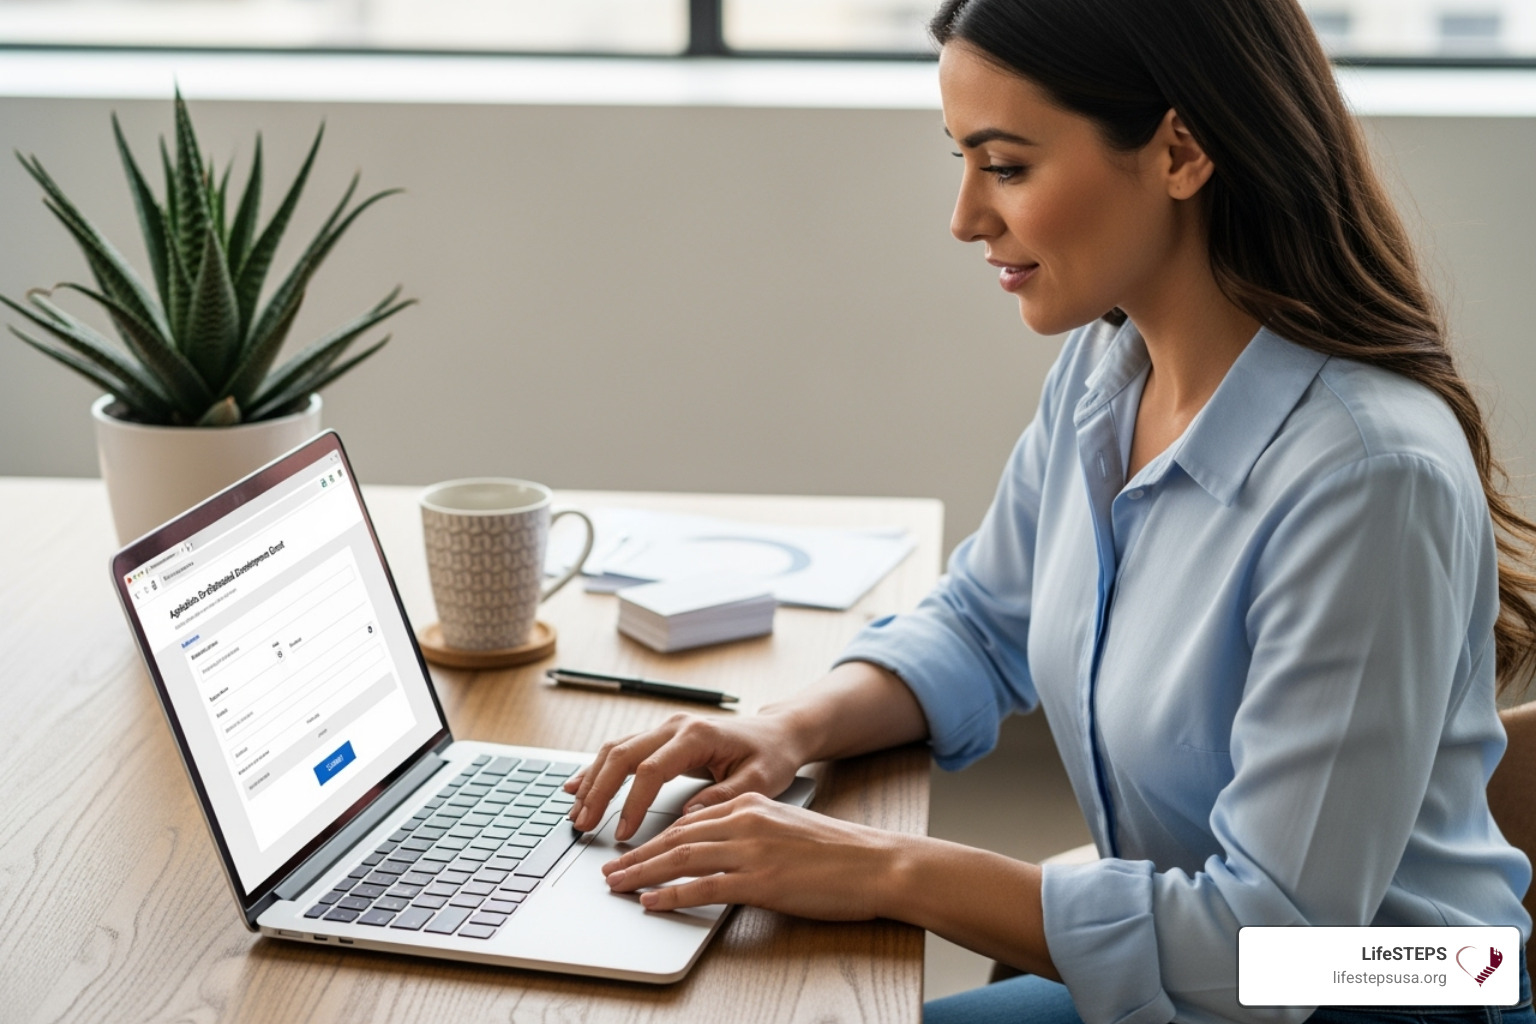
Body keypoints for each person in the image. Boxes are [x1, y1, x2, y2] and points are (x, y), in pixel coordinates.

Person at [561, 0, 1536, 1020]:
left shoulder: (1368, 479)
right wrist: (783, 729)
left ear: (1182, 150)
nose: (966, 217)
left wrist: (885, 870)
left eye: (1009, 165)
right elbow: (986, 618)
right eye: (962, 159)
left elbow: (1274, 947)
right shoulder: (1106, 376)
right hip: (1195, 968)